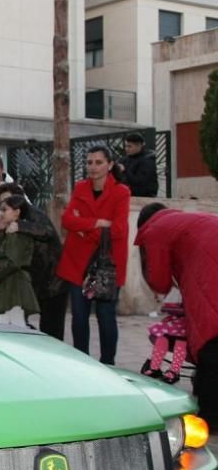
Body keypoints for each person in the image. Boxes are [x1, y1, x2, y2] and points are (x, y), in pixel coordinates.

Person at [134, 204, 218, 426]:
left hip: (210, 278)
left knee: (210, 343)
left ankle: (211, 418)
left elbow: (159, 281)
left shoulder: (154, 230)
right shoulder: (187, 220)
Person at [55, 145, 130, 365]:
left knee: (106, 317)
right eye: (89, 162)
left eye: (98, 162)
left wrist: (82, 229)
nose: (93, 167)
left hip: (107, 265)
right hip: (78, 263)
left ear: (110, 165)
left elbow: (117, 230)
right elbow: (67, 220)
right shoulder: (80, 187)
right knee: (79, 317)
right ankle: (82, 364)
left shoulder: (121, 192)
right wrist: (97, 223)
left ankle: (108, 364)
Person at [0, 183, 67, 340]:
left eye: (8, 203)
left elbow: (46, 232)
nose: (4, 208)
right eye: (2, 205)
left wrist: (20, 226)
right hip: (32, 282)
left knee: (51, 331)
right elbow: (3, 251)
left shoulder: (32, 217)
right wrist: (1, 230)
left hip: (53, 282)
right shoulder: (13, 223)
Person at [0, 195, 40, 327]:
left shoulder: (19, 233)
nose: (1, 214)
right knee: (9, 324)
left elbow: (13, 261)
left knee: (11, 325)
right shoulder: (11, 232)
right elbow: (0, 251)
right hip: (10, 283)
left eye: (5, 210)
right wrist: (1, 231)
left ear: (17, 212)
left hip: (15, 284)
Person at [118, 132, 158, 197]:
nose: (126, 149)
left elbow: (139, 181)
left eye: (129, 146)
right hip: (127, 194)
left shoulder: (148, 161)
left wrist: (124, 170)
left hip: (145, 197)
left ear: (139, 146)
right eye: (126, 146)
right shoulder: (124, 159)